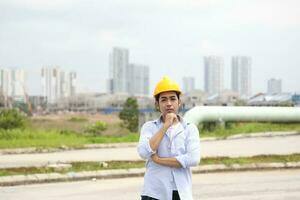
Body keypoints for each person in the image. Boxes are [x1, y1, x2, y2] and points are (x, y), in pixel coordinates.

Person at [137, 76, 201, 200]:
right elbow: (144, 152)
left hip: (180, 192)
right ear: (157, 104)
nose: (169, 104)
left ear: (179, 102)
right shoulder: (149, 127)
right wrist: (165, 126)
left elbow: (193, 159)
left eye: (172, 99)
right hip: (154, 192)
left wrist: (158, 160)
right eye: (164, 100)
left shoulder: (189, 128)